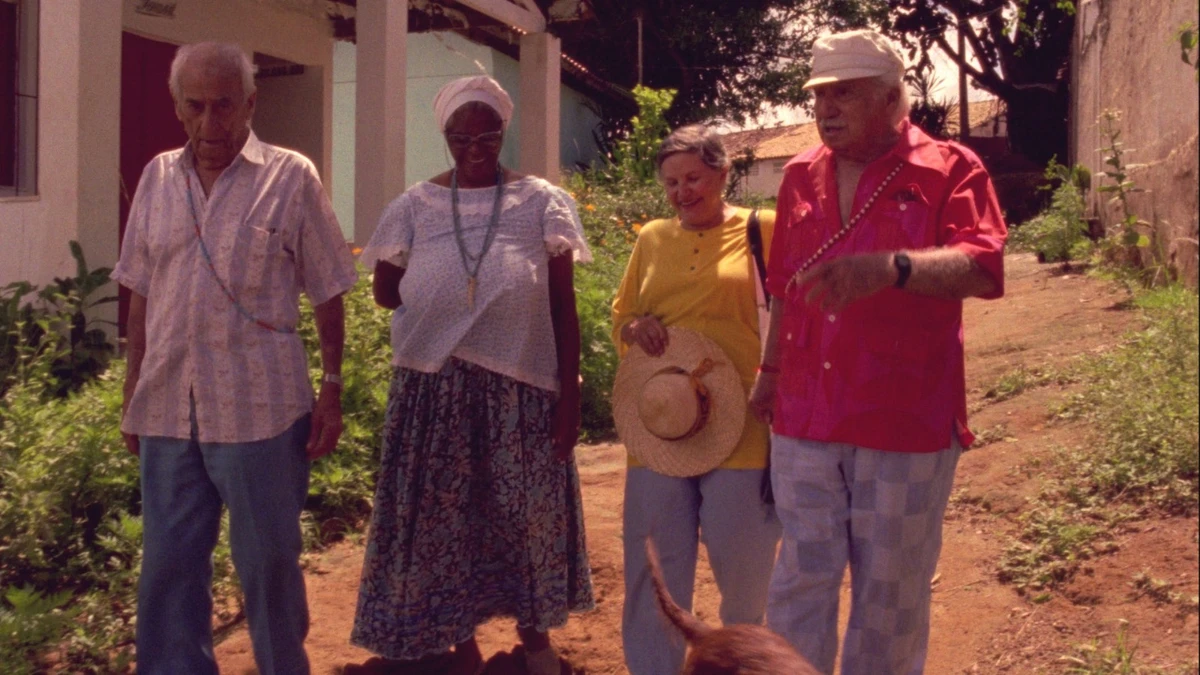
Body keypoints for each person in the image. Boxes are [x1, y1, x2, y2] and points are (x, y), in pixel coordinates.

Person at [748, 30, 1008, 674]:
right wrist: (770, 372)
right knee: (799, 579)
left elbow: (983, 268)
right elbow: (784, 286)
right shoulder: (799, 174)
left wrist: (895, 269)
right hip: (805, 411)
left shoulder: (951, 169)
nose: (826, 109)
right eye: (820, 96)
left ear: (892, 98)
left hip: (904, 415)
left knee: (889, 592)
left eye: (845, 94)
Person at [113, 42, 357, 675]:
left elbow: (329, 288)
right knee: (168, 569)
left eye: (224, 105)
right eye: (195, 106)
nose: (210, 122)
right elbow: (139, 291)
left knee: (269, 564)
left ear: (250, 103)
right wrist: (132, 389)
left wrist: (331, 389)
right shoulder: (157, 178)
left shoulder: (290, 176)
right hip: (169, 409)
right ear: (177, 107)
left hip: (261, 412)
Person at [351, 75, 595, 675]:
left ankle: (536, 644)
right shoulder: (414, 206)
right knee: (442, 525)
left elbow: (562, 305)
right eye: (461, 138)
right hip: (433, 390)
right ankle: (459, 646)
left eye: (488, 136)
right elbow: (385, 290)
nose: (475, 149)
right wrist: (444, 305)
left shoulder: (541, 202)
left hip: (522, 391)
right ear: (445, 135)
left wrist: (569, 396)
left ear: (504, 131)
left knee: (526, 521)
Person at [611, 125, 783, 675]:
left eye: (693, 178)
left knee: (744, 573)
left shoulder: (762, 229)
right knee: (654, 574)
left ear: (723, 173)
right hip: (662, 425)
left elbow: (795, 313)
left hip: (743, 424)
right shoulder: (652, 238)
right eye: (671, 183)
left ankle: (743, 666)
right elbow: (622, 315)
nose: (682, 192)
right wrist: (635, 328)